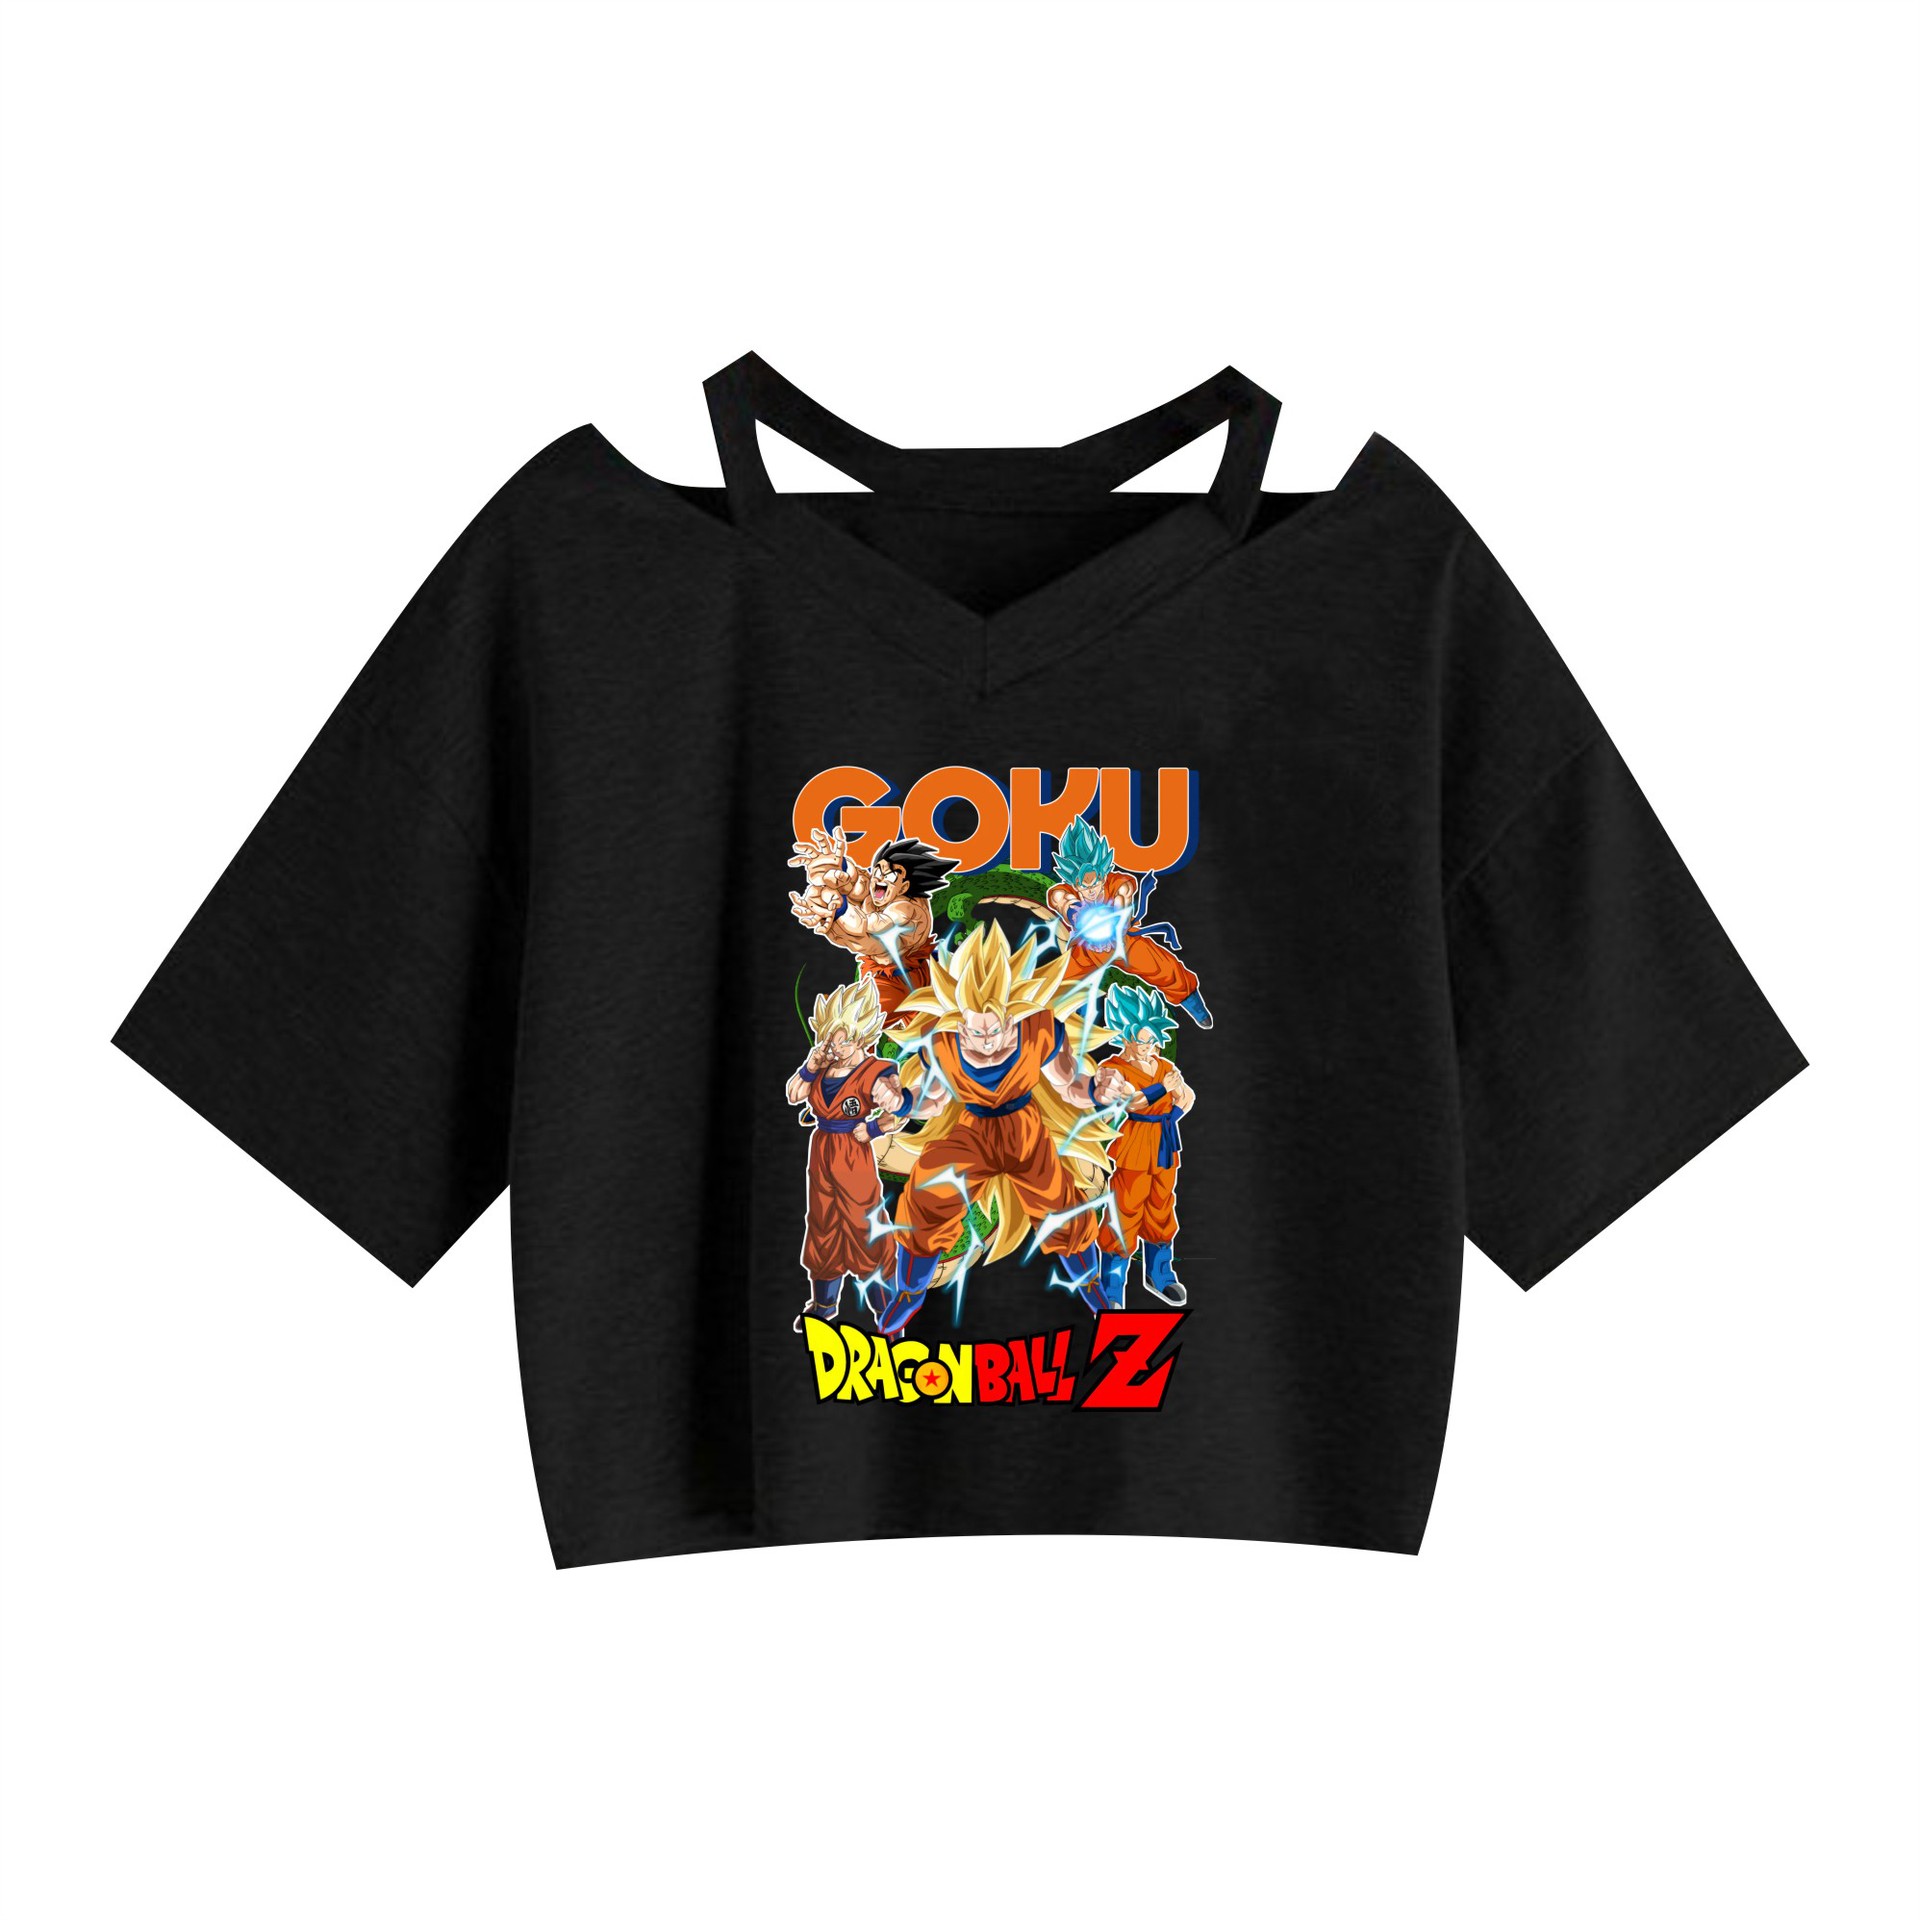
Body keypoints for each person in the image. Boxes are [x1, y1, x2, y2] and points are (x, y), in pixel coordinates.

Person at [874, 921, 1128, 1335]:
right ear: (959, 1021)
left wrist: (1099, 1092)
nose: (988, 1041)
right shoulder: (943, 1043)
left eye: (996, 1029)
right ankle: (910, 1290)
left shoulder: (1039, 1031)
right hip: (971, 1134)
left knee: (1062, 1207)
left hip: (1025, 1132)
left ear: (1013, 1015)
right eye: (976, 1031)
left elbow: (1070, 1088)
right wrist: (899, 1100)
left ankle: (1091, 1284)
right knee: (926, 1194)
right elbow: (932, 1102)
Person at [784, 975, 905, 1332]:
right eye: (831, 1039)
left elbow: (899, 1111)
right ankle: (824, 1305)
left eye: (844, 1040)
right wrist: (811, 1065)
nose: (837, 1047)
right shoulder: (821, 1067)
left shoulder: (874, 1071)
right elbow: (793, 1094)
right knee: (822, 1226)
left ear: (861, 1036)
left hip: (853, 1154)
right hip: (822, 1151)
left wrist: (874, 1128)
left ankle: (889, 1318)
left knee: (864, 1225)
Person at [1044, 814, 1212, 1028]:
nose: (1090, 890)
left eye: (1094, 882)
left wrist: (1116, 923)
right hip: (1086, 950)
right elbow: (1062, 900)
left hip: (1124, 942)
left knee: (1167, 969)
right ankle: (1046, 1022)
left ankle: (1195, 1007)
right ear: (1072, 881)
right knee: (1057, 983)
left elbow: (1122, 898)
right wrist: (1076, 913)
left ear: (1103, 872)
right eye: (1082, 885)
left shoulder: (1118, 883)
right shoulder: (1063, 891)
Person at [1092, 983, 1197, 1308]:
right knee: (1124, 1211)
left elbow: (1187, 1096)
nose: (1149, 1046)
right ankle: (1112, 1288)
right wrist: (1163, 1090)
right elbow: (1131, 1102)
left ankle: (1160, 1274)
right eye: (1143, 1040)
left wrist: (1171, 1115)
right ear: (1125, 1036)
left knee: (1161, 1208)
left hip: (1165, 1143)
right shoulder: (1113, 1069)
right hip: (1135, 1145)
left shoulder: (1163, 1066)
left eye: (1153, 1039)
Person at [787, 829, 961, 1023]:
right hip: (889, 973)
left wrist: (839, 908)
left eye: (890, 875)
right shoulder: (880, 890)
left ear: (904, 886)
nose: (879, 877)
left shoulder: (906, 908)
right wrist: (838, 868)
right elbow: (858, 884)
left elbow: (867, 926)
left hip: (903, 979)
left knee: (853, 1023)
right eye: (877, 870)